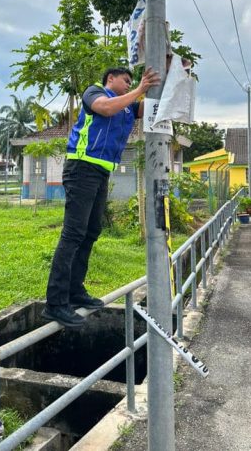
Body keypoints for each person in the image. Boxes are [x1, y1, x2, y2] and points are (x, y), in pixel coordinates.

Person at [42, 66, 160, 328]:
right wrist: (140, 89)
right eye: (126, 80)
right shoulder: (95, 93)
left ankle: (75, 291)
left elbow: (154, 105)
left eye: (132, 82)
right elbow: (106, 108)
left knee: (91, 231)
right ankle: (56, 303)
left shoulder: (128, 106)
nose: (130, 85)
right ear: (110, 79)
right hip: (82, 167)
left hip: (101, 172)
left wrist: (174, 73)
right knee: (73, 233)